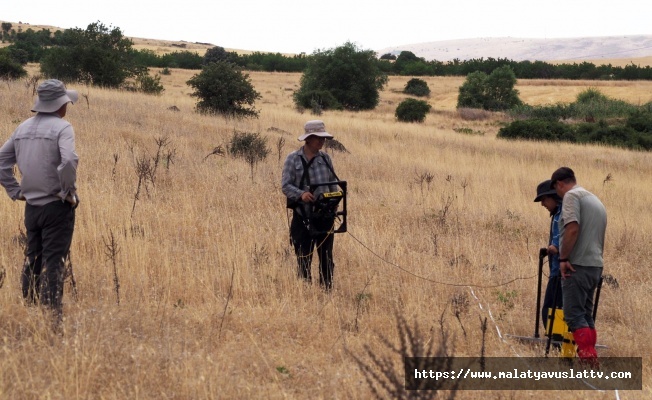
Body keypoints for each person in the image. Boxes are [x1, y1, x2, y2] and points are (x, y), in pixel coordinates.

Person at [0, 79, 79, 330]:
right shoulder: (63, 128)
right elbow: (68, 162)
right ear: (61, 104)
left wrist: (15, 191)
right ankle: (52, 319)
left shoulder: (22, 128)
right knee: (55, 261)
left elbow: (1, 161)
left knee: (32, 259)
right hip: (56, 206)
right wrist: (67, 192)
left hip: (31, 207)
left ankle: (29, 312)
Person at [550, 167, 607, 367]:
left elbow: (572, 229)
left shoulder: (571, 198)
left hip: (577, 265)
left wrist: (563, 258)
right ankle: (591, 358)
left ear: (559, 184)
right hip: (595, 265)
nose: (557, 194)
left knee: (573, 315)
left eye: (556, 190)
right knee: (585, 314)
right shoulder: (594, 199)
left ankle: (588, 360)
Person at [282, 120, 339, 290]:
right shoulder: (293, 158)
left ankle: (327, 288)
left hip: (324, 216)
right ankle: (305, 291)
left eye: (323, 138)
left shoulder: (326, 158)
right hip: (303, 216)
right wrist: (302, 194)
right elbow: (285, 185)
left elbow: (332, 183)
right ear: (309, 138)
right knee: (304, 256)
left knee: (326, 256)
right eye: (318, 138)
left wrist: (334, 201)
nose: (322, 142)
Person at [533, 179, 563, 331]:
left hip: (560, 270)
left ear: (553, 197)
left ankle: (556, 342)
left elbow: (560, 240)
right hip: (557, 269)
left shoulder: (563, 213)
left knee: (551, 310)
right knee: (555, 309)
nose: (542, 204)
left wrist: (552, 248)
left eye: (544, 199)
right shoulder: (558, 213)